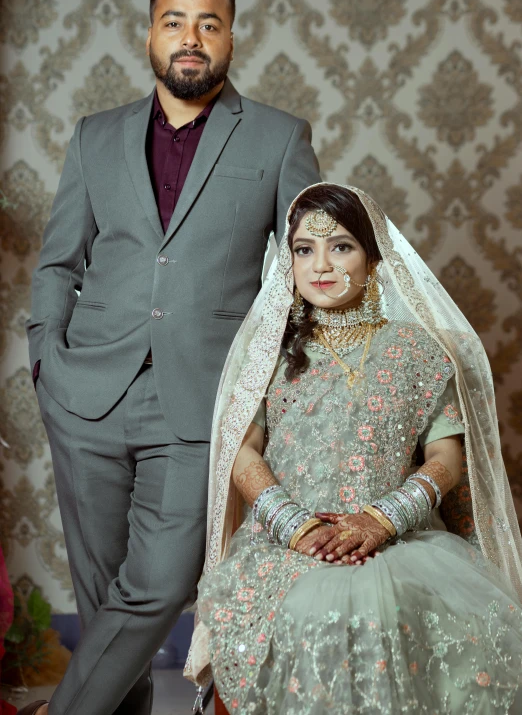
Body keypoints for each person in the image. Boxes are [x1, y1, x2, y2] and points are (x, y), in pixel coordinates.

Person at [22, 0, 320, 715]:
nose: (191, 38)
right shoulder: (96, 137)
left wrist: (270, 389)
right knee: (102, 600)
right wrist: (45, 362)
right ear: (151, 34)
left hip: (202, 398)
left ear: (228, 39)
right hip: (85, 390)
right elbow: (60, 260)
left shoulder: (281, 138)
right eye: (175, 21)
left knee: (154, 585)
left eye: (209, 24)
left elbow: (302, 274)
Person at [185, 183, 522, 714]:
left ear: (373, 258)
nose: (320, 264)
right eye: (304, 249)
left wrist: (379, 521)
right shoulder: (267, 354)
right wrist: (299, 528)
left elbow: (448, 460)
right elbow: (242, 453)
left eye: (340, 246)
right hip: (287, 542)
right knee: (313, 614)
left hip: (393, 540)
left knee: (393, 613)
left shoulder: (420, 350)